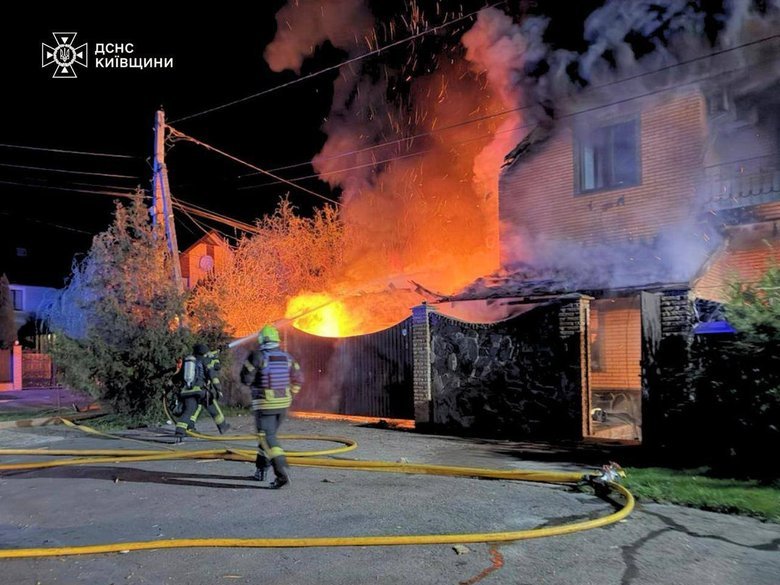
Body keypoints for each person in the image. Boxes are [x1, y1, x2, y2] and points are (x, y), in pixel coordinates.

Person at [240, 324, 303, 489]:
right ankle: (261, 470)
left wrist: (255, 382)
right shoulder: (287, 357)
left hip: (265, 404)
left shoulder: (257, 356)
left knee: (267, 438)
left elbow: (245, 379)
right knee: (266, 437)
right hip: (283, 405)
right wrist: (291, 394)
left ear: (261, 339)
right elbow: (298, 379)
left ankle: (281, 473)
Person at [174, 343, 231, 441]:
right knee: (212, 406)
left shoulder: (188, 362)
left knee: (189, 410)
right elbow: (213, 374)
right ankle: (223, 426)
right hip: (201, 391)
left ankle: (180, 431)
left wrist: (169, 384)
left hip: (187, 391)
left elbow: (177, 377)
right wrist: (218, 389)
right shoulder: (206, 360)